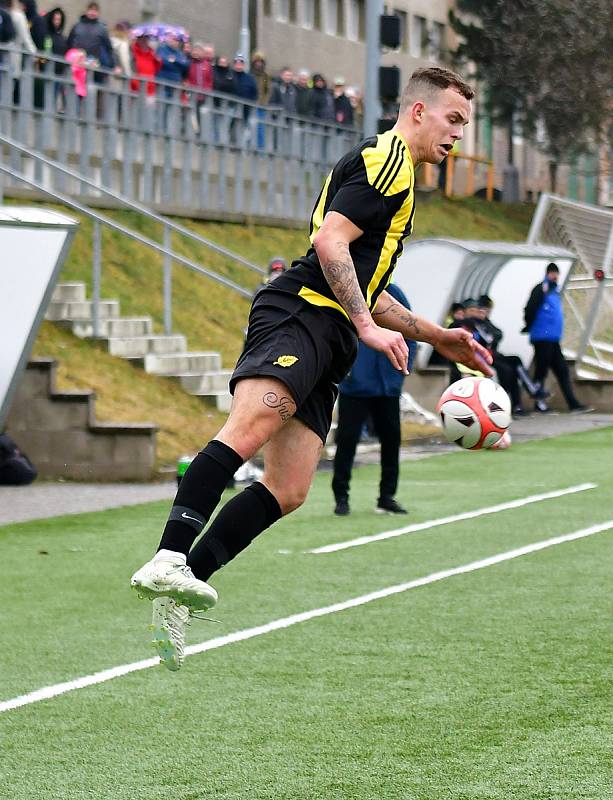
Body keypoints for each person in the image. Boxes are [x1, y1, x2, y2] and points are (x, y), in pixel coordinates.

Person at [130, 66, 492, 671]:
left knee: (290, 487)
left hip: (328, 331)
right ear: (420, 111)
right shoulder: (389, 161)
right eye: (453, 119)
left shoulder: (396, 172)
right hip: (300, 314)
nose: (458, 135)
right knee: (249, 429)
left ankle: (181, 587)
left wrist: (434, 335)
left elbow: (364, 282)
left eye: (465, 124)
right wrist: (364, 325)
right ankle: (168, 554)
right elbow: (329, 247)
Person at [332, 283, 416, 516]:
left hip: (387, 386)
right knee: (347, 442)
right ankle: (341, 497)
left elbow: (410, 329)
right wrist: (345, 371)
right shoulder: (348, 290)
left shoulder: (395, 293)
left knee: (391, 442)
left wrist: (401, 371)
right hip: (355, 386)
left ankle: (387, 496)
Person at [523, 262, 591, 413]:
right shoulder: (542, 289)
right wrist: (529, 325)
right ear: (548, 273)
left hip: (552, 338)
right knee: (542, 370)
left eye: (556, 273)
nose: (555, 276)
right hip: (542, 337)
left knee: (562, 370)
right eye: (553, 273)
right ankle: (539, 403)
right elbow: (530, 309)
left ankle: (573, 404)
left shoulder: (554, 291)